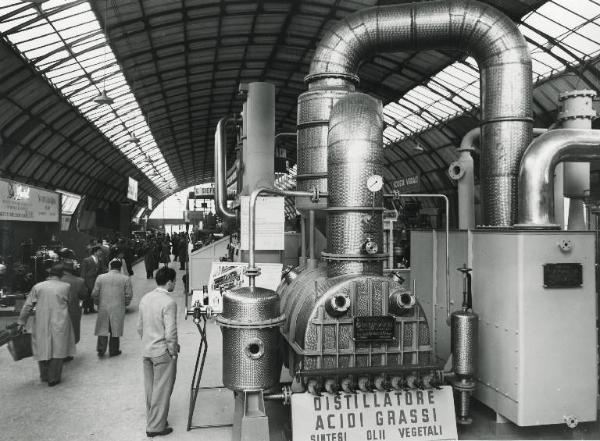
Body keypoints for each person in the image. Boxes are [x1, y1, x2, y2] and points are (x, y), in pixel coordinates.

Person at [17, 264, 76, 386]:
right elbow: (71, 303)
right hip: (60, 320)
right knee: (57, 348)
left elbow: (27, 306)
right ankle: (53, 378)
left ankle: (44, 375)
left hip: (41, 320)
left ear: (49, 274)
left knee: (42, 346)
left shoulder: (38, 286)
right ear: (61, 275)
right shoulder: (66, 286)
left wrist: (21, 322)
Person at [137, 267, 178, 437]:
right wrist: (173, 351)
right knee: (162, 389)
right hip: (162, 352)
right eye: (174, 281)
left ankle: (154, 418)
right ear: (169, 282)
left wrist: (148, 342)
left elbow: (140, 327)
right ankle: (155, 427)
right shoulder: (169, 302)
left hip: (147, 350)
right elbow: (170, 333)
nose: (175, 284)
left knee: (151, 388)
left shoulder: (145, 298)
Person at [92, 260, 133, 357]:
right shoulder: (125, 279)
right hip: (118, 307)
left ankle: (101, 349)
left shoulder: (101, 277)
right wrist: (125, 304)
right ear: (120, 268)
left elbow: (95, 293)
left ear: (110, 267)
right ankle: (114, 350)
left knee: (103, 327)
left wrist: (97, 302)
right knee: (115, 329)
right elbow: (129, 295)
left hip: (103, 306)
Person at [61, 259, 85, 346]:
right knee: (73, 329)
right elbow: (83, 295)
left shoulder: (58, 280)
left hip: (59, 309)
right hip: (74, 308)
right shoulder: (80, 281)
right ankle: (70, 349)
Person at [80, 246, 103, 313]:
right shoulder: (86, 260)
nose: (100, 252)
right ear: (95, 252)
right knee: (87, 294)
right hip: (88, 279)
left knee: (92, 294)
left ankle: (91, 308)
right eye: (99, 251)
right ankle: (85, 309)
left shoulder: (100, 260)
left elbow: (100, 270)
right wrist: (83, 280)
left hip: (95, 279)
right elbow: (83, 271)